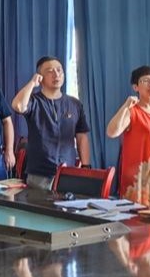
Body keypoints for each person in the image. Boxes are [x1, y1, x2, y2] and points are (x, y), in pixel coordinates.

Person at [11, 56, 92, 190]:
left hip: (68, 173)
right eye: (50, 71)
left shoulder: (75, 104)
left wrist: (86, 166)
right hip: (39, 175)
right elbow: (18, 105)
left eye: (59, 70)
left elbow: (82, 137)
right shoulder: (34, 101)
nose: (56, 74)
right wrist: (32, 83)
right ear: (40, 77)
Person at [106, 66, 150, 206]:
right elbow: (111, 132)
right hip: (137, 177)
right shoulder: (132, 112)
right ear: (135, 87)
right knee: (135, 215)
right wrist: (126, 106)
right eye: (146, 81)